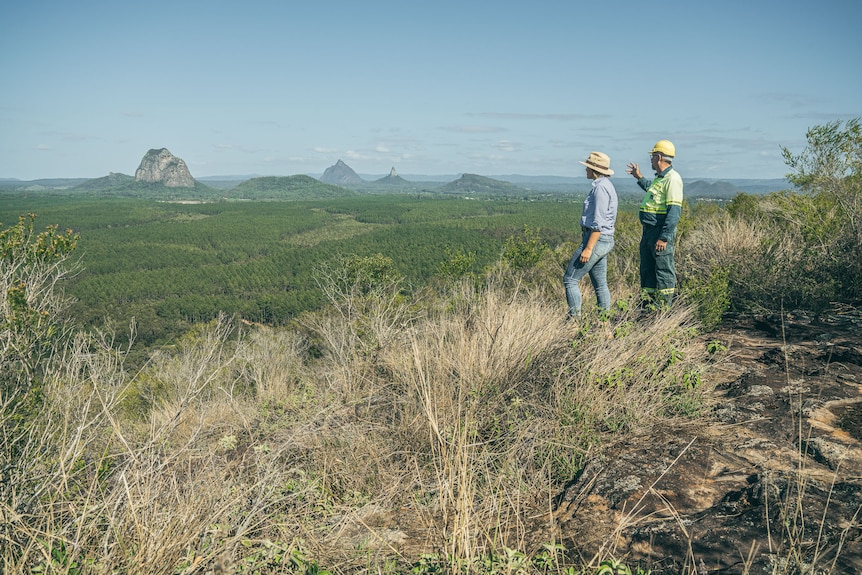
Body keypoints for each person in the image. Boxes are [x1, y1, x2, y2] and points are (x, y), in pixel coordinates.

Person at [625, 139, 684, 307]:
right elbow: (652, 190)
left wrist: (664, 237)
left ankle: (663, 310)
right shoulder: (660, 178)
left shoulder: (672, 179)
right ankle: (647, 307)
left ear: (658, 157)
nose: (650, 159)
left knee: (663, 271)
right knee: (647, 269)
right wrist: (639, 178)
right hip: (649, 232)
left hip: (659, 233)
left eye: (652, 156)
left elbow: (674, 212)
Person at [563, 151, 618, 318]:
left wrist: (588, 248)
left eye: (587, 167)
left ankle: (575, 322)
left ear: (594, 169)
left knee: (570, 279)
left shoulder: (600, 188)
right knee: (600, 284)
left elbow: (598, 222)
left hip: (595, 239)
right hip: (604, 240)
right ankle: (604, 324)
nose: (585, 170)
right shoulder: (607, 185)